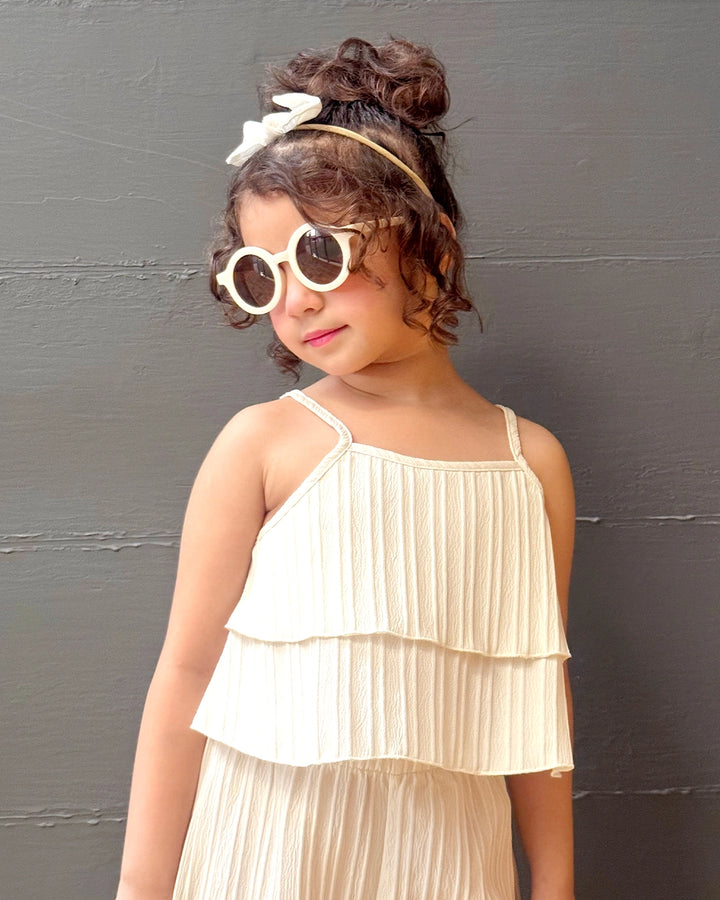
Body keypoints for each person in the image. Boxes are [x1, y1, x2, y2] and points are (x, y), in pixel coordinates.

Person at [116, 37, 576, 900]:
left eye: (319, 256)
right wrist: (141, 890)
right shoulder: (263, 445)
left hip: (448, 867)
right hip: (265, 859)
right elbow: (186, 672)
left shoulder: (530, 463)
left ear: (427, 245)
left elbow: (537, 694)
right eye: (262, 275)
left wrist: (554, 886)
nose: (295, 298)